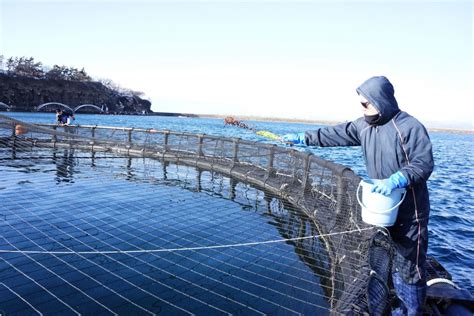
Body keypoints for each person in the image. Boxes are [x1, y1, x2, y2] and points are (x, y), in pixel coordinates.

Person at [282, 76, 434, 315]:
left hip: (409, 211)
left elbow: (423, 164)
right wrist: (305, 137)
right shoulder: (364, 126)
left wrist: (398, 179)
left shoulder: (408, 127)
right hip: (382, 207)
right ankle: (396, 303)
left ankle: (413, 310)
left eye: (366, 103)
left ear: (380, 100)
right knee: (388, 257)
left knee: (410, 266)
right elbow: (336, 134)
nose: (362, 108)